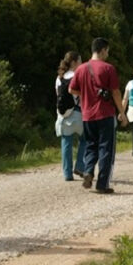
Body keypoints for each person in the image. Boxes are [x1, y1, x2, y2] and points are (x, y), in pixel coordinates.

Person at [69, 37, 125, 194]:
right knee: (106, 149)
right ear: (102, 50)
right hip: (105, 114)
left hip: (87, 115)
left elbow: (71, 90)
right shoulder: (108, 68)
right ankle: (102, 184)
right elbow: (115, 92)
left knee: (91, 145)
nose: (108, 53)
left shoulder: (81, 69)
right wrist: (122, 112)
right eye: (107, 50)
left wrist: (86, 94)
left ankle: (88, 171)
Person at [55, 52, 88, 181]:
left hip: (63, 114)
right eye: (80, 60)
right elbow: (83, 95)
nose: (81, 63)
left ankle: (67, 174)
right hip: (78, 113)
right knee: (85, 139)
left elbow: (58, 96)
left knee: (66, 142)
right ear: (74, 62)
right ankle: (80, 165)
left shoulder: (59, 78)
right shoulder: (78, 76)